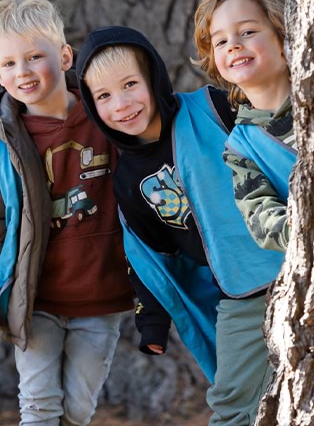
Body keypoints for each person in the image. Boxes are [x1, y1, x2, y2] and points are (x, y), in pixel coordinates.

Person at [75, 25, 284, 425]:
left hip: (295, 261)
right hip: (241, 290)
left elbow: (274, 137)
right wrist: (151, 320)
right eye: (103, 96)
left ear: (153, 77)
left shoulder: (212, 108)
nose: (121, 104)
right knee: (233, 401)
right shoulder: (128, 181)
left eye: (130, 85)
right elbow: (150, 256)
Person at [0, 0, 134, 426]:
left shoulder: (108, 116)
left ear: (65, 56)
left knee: (77, 409)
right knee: (38, 406)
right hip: (34, 303)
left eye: (35, 56)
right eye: (10, 63)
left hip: (101, 298)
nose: (24, 71)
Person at [193, 0, 296, 253]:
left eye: (248, 32)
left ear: (284, 40)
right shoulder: (241, 148)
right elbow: (261, 217)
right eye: (221, 41)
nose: (234, 46)